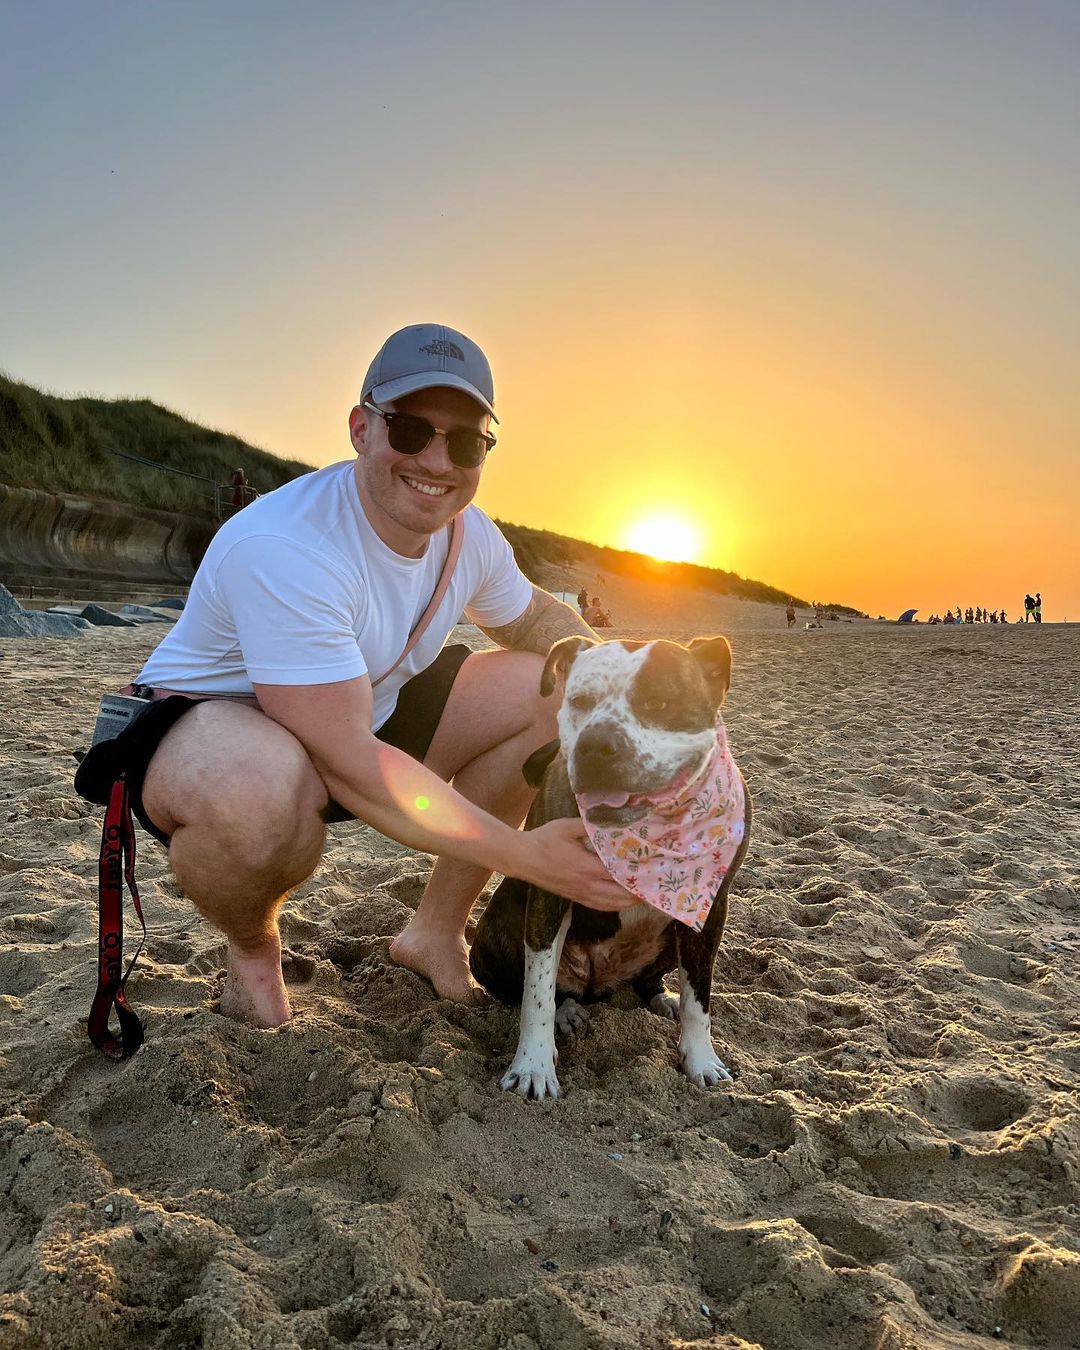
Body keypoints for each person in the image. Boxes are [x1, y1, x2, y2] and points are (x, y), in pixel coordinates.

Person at [124, 323, 635, 1027]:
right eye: (410, 430)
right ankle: (252, 953)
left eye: (466, 442)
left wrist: (631, 686)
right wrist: (528, 857)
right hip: (217, 731)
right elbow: (352, 763)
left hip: (361, 712)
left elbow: (534, 620)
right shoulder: (288, 545)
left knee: (549, 690)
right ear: (362, 428)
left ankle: (434, 933)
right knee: (260, 796)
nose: (437, 460)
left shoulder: (468, 535)